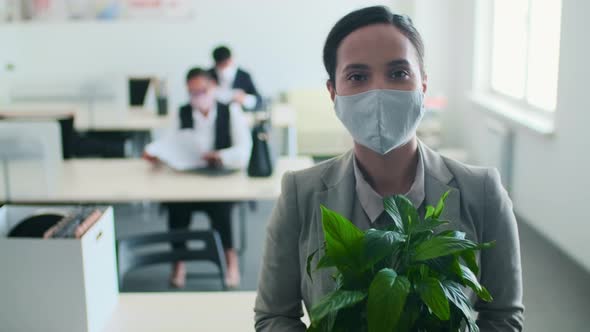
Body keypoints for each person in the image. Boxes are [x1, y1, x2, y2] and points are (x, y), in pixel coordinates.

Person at [254, 6, 524, 331]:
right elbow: (274, 316)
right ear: (333, 93)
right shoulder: (300, 193)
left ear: (422, 86)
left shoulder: (482, 191)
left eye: (398, 73)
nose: (379, 90)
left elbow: (503, 317)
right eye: (357, 76)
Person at [143, 67, 252, 288]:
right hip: (188, 179)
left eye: (202, 90)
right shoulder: (182, 112)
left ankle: (230, 261)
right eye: (192, 93)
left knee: (222, 211)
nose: (197, 97)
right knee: (177, 209)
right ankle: (179, 263)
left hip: (219, 179)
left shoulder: (230, 111)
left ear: (213, 88)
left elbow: (244, 150)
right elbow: (167, 142)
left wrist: (219, 156)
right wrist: (154, 152)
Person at [208, 45, 262, 111]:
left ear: (230, 60)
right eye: (220, 65)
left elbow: (258, 101)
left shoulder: (244, 76)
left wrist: (244, 99)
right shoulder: (208, 75)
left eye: (225, 64)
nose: (223, 68)